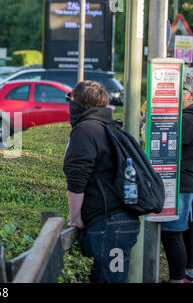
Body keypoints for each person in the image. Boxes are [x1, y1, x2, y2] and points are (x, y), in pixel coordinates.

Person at [63, 80, 140, 283]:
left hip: (109, 225)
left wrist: (75, 216)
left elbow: (77, 178)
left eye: (70, 99)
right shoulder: (111, 127)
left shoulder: (85, 131)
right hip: (123, 222)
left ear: (78, 103)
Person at [160, 66, 193, 283]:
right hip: (185, 182)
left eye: (179, 92)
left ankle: (177, 279)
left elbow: (174, 142)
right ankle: (185, 274)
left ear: (189, 95)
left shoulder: (188, 118)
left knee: (172, 234)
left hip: (181, 182)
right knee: (182, 232)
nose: (175, 96)